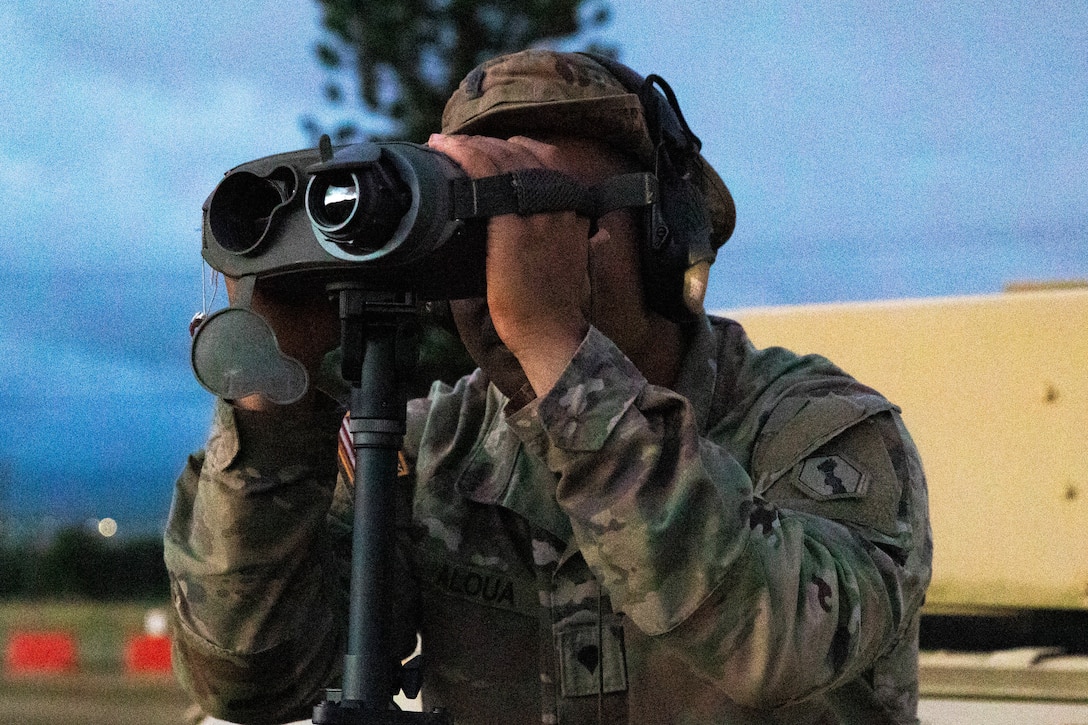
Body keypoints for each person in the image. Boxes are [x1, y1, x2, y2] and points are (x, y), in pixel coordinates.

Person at [166, 49, 932, 724]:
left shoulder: (817, 430)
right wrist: (276, 406)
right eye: (484, 226)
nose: (512, 259)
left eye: (549, 217)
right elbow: (251, 680)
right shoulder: (434, 448)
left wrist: (556, 352)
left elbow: (778, 643)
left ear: (661, 234)